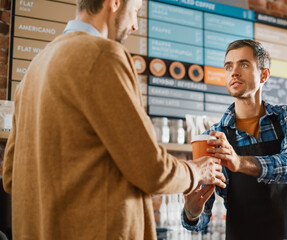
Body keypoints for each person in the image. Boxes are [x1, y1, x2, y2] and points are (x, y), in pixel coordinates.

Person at [1, 0, 226, 239]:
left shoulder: (34, 68)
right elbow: (151, 170)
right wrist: (196, 171)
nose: (135, 25)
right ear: (115, 3)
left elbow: (11, 176)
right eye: (136, 12)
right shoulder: (103, 55)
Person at [182, 39, 287, 240]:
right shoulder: (212, 137)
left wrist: (239, 162)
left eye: (243, 64)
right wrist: (192, 211)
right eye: (228, 66)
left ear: (264, 75)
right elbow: (200, 218)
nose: (234, 72)